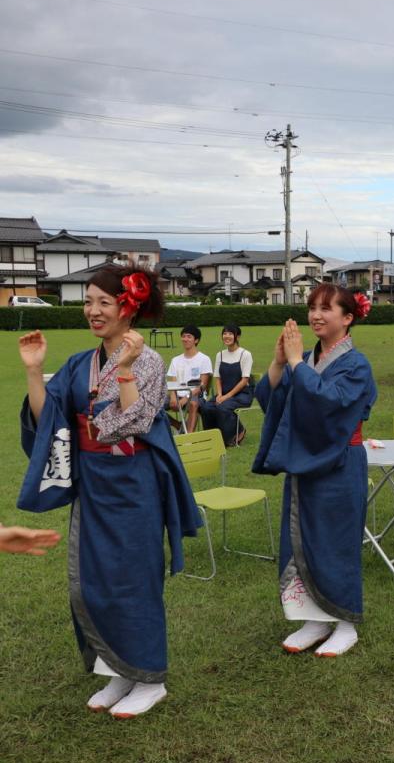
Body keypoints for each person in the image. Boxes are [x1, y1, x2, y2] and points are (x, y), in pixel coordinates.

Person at [16, 264, 201, 718]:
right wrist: (36, 373)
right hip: (94, 485)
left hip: (134, 483)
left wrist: (125, 369)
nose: (93, 311)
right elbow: (50, 422)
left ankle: (150, 678)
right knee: (94, 581)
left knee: (134, 581)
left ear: (128, 307)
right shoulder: (81, 362)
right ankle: (119, 669)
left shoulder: (152, 362)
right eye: (88, 300)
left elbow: (131, 422)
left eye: (104, 302)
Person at [253, 285, 377, 657]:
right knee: (301, 538)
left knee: (336, 542)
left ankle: (345, 622)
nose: (316, 315)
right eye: (312, 308)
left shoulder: (357, 364)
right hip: (305, 460)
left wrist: (294, 365)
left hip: (339, 463)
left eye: (326, 308)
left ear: (348, 318)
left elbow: (329, 403)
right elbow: (271, 400)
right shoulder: (305, 357)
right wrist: (279, 362)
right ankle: (314, 617)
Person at [198, 324, 254, 446]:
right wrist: (219, 394)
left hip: (242, 394)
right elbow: (218, 377)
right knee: (206, 407)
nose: (227, 336)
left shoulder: (245, 354)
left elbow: (244, 380)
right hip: (223, 393)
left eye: (230, 333)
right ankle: (211, 438)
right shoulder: (220, 354)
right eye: (224, 333)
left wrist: (226, 397)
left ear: (237, 336)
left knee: (223, 407)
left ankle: (235, 434)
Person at [166, 324, 212, 433]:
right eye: (183, 336)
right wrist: (173, 398)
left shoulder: (204, 359)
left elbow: (202, 385)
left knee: (193, 404)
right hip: (177, 395)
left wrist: (186, 398)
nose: (185, 339)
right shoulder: (175, 360)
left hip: (196, 395)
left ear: (196, 340)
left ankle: (189, 438)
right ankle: (179, 425)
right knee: (154, 404)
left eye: (189, 336)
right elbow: (173, 383)